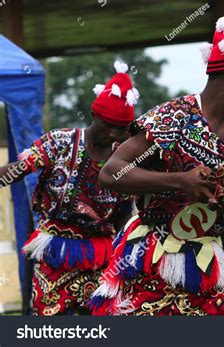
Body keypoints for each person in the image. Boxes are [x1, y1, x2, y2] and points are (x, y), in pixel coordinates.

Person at [88, 16, 224, 316]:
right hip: (155, 262)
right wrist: (180, 181)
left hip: (218, 267)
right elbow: (111, 172)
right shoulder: (173, 119)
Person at [0, 61, 137, 315]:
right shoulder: (60, 142)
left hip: (101, 256)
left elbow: (124, 212)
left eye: (121, 128)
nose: (114, 133)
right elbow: (19, 170)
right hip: (55, 250)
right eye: (109, 124)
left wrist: (128, 252)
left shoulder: (124, 158)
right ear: (94, 115)